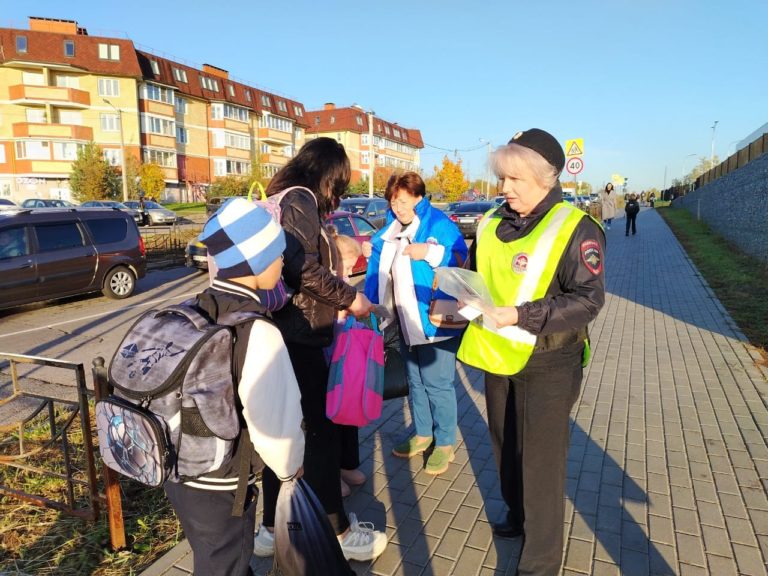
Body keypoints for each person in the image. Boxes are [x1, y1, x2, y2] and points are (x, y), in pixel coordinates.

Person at [457, 129, 605, 576]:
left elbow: (587, 300)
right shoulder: (490, 222)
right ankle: (518, 517)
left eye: (515, 179)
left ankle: (539, 561)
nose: (504, 189)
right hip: (497, 355)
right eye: (502, 178)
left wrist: (520, 315)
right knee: (505, 446)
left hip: (550, 361)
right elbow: (473, 276)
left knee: (541, 460)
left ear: (546, 177)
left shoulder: (576, 227)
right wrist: (453, 301)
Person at [253, 137, 387, 563]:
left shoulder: (281, 195)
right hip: (300, 334)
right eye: (340, 185)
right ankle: (338, 532)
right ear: (327, 174)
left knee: (287, 435)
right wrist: (350, 298)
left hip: (285, 332)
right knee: (321, 436)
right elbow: (302, 267)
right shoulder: (301, 199)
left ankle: (270, 529)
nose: (339, 195)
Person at [164, 198, 305, 576]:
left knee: (212, 556)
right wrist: (291, 471)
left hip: (177, 469)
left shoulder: (193, 308)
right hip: (222, 484)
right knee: (224, 565)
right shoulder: (256, 331)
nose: (283, 264)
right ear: (257, 260)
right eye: (279, 255)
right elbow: (275, 427)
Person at [363, 172, 468, 476]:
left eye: (404, 200)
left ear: (419, 197)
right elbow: (378, 278)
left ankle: (446, 441)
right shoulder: (389, 232)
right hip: (405, 323)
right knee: (417, 383)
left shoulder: (438, 224)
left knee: (438, 384)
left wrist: (432, 253)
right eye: (394, 201)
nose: (398, 206)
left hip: (437, 320)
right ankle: (424, 434)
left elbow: (461, 258)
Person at [326, 227, 368, 498]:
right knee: (330, 422)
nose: (351, 271)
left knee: (348, 418)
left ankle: (347, 465)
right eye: (348, 265)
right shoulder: (327, 286)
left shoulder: (344, 286)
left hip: (346, 365)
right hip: (328, 365)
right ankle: (331, 473)